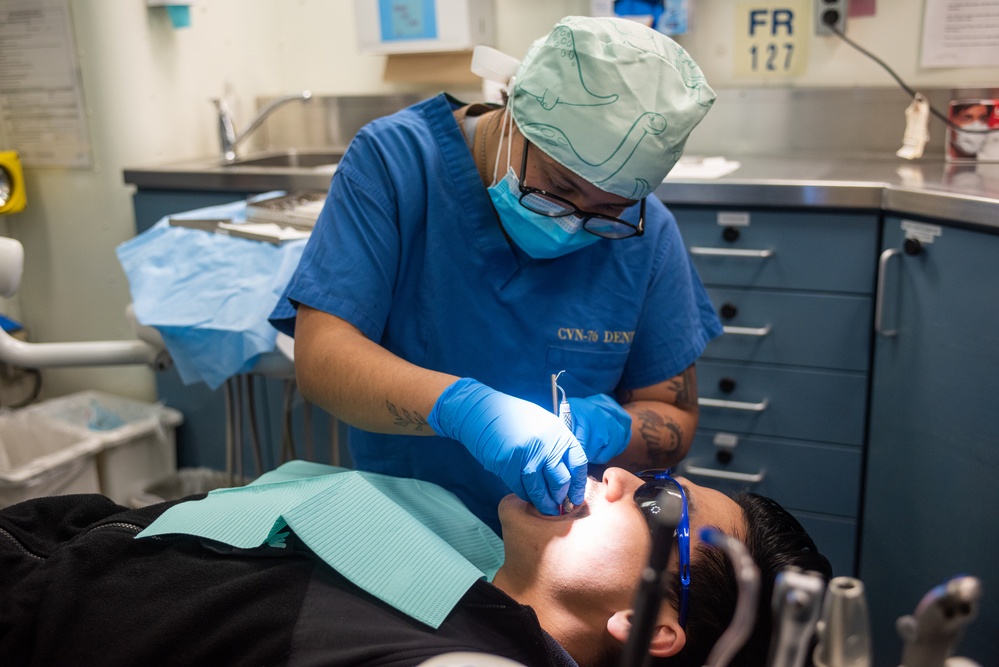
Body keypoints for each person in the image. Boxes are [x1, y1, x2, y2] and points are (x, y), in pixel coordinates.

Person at [269, 15, 721, 532]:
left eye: (607, 210)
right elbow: (323, 357)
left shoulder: (646, 234)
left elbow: (674, 416)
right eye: (559, 187)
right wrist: (463, 410)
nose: (575, 221)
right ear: (513, 110)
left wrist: (611, 427)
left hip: (559, 547)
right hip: (404, 530)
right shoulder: (397, 165)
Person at [0, 466, 831, 667]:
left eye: (655, 504)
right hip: (62, 530)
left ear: (653, 625)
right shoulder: (459, 541)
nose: (617, 474)